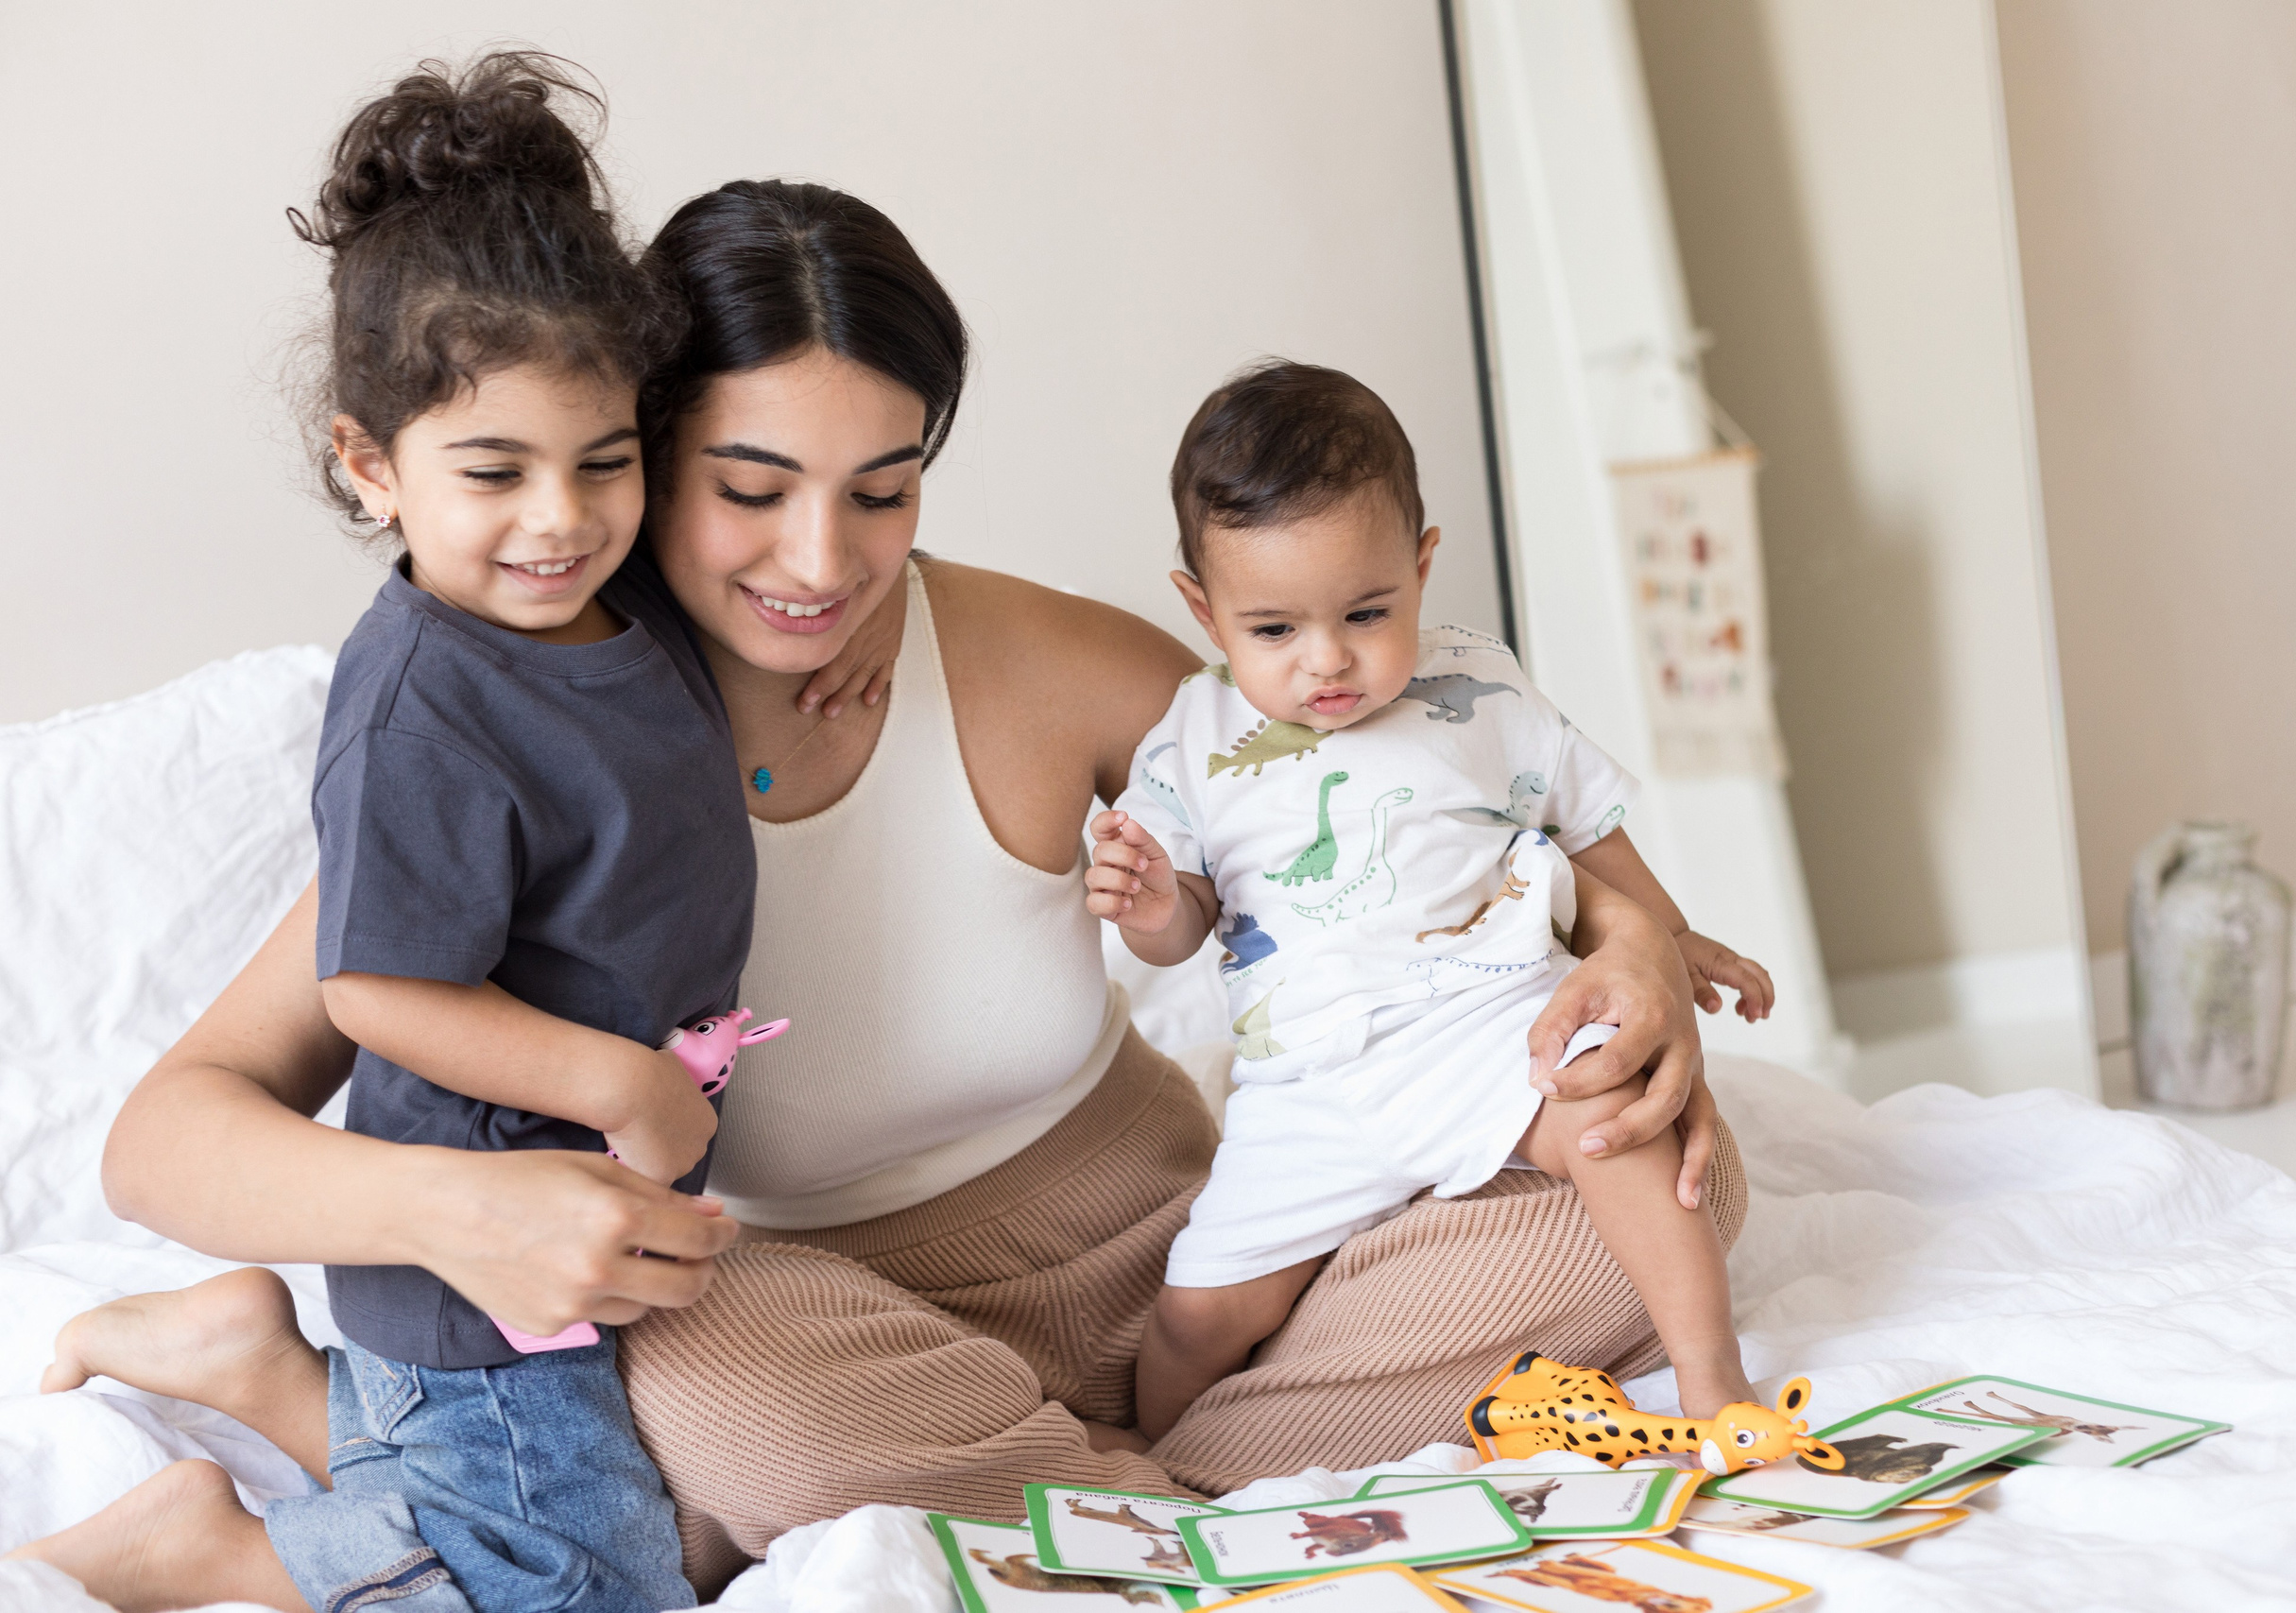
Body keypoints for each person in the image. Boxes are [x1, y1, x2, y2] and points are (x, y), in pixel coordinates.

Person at [17, 170, 1746, 1603]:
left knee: (1663, 1182)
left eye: (884, 491)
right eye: (749, 492)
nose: (821, 564)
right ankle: (1155, 1512)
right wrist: (448, 1213)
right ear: (640, 454)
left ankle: (1112, 1506)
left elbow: (1419, 791)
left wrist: (1641, 942)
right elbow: (165, 1133)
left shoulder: (1043, 662)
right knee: (705, 1387)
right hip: (804, 1318)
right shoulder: (550, 744)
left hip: (1169, 1261)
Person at [11, 52, 736, 1612]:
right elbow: (375, 989)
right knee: (588, 1588)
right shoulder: (419, 699)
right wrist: (618, 1079)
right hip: (469, 1285)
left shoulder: (620, 612)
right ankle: (227, 1549)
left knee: (647, 1512)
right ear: (369, 463)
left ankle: (247, 1362)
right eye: (495, 473)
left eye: (603, 462)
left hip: (600, 1231)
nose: (560, 517)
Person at [1092, 362, 1773, 1439]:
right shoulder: (1190, 736)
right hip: (1308, 1086)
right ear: (1202, 608)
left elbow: (1583, 819)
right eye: (1272, 630)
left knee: (1610, 1118)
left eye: (1367, 612)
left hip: (1491, 1021)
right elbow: (1185, 925)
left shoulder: (1479, 686)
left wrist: (1673, 941)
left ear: (1421, 564)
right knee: (1194, 1315)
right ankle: (1162, 1467)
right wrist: (1146, 906)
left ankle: (1713, 1381)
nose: (1328, 661)